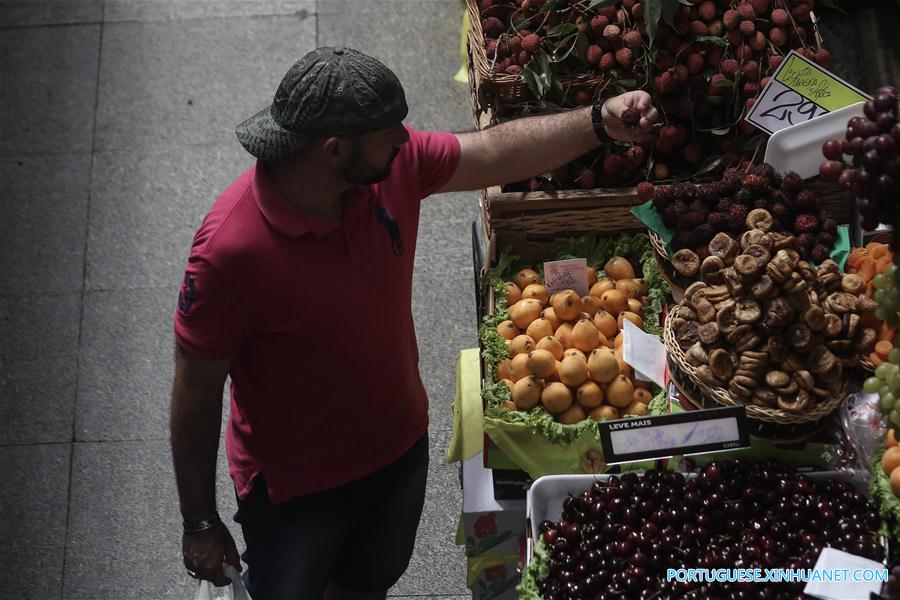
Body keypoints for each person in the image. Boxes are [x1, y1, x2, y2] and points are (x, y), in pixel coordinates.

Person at [170, 46, 657, 599]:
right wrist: (200, 524)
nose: (405, 140)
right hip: (296, 493)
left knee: (369, 582)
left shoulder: (387, 170)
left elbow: (495, 151)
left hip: (398, 454)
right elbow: (196, 388)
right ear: (334, 150)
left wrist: (600, 122)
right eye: (388, 133)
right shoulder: (229, 252)